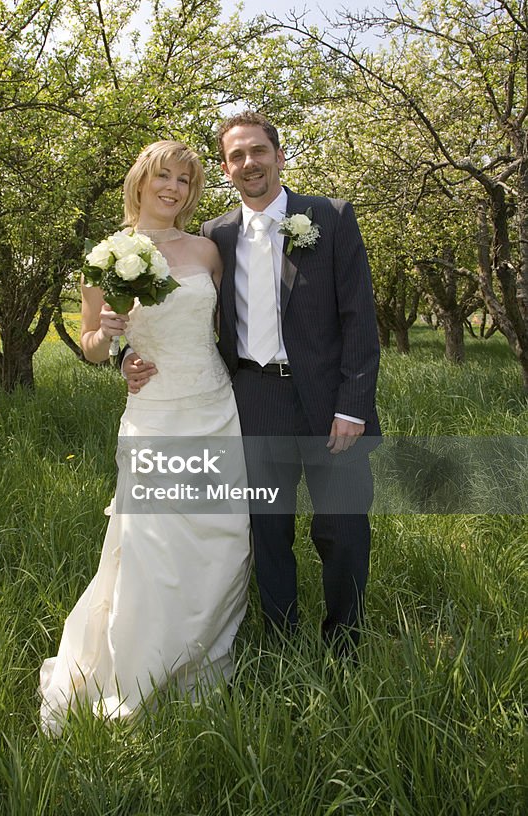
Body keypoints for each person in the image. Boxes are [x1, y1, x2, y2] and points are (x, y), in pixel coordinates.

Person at [126, 112, 380, 649]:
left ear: (279, 156)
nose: (249, 163)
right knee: (267, 532)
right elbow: (168, 310)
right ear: (225, 168)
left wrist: (353, 406)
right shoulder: (215, 234)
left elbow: (360, 317)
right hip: (252, 400)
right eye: (236, 156)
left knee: (342, 529)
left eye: (258, 151)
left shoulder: (330, 217)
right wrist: (129, 353)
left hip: (330, 403)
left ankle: (346, 643)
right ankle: (282, 642)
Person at [39, 141, 251, 733]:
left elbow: (220, 326)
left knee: (222, 535)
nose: (174, 188)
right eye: (164, 176)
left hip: (214, 407)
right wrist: (113, 344)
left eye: (185, 180)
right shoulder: (106, 257)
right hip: (154, 412)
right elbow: (92, 346)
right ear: (141, 179)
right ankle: (141, 672)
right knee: (154, 544)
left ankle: (204, 658)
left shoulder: (208, 250)